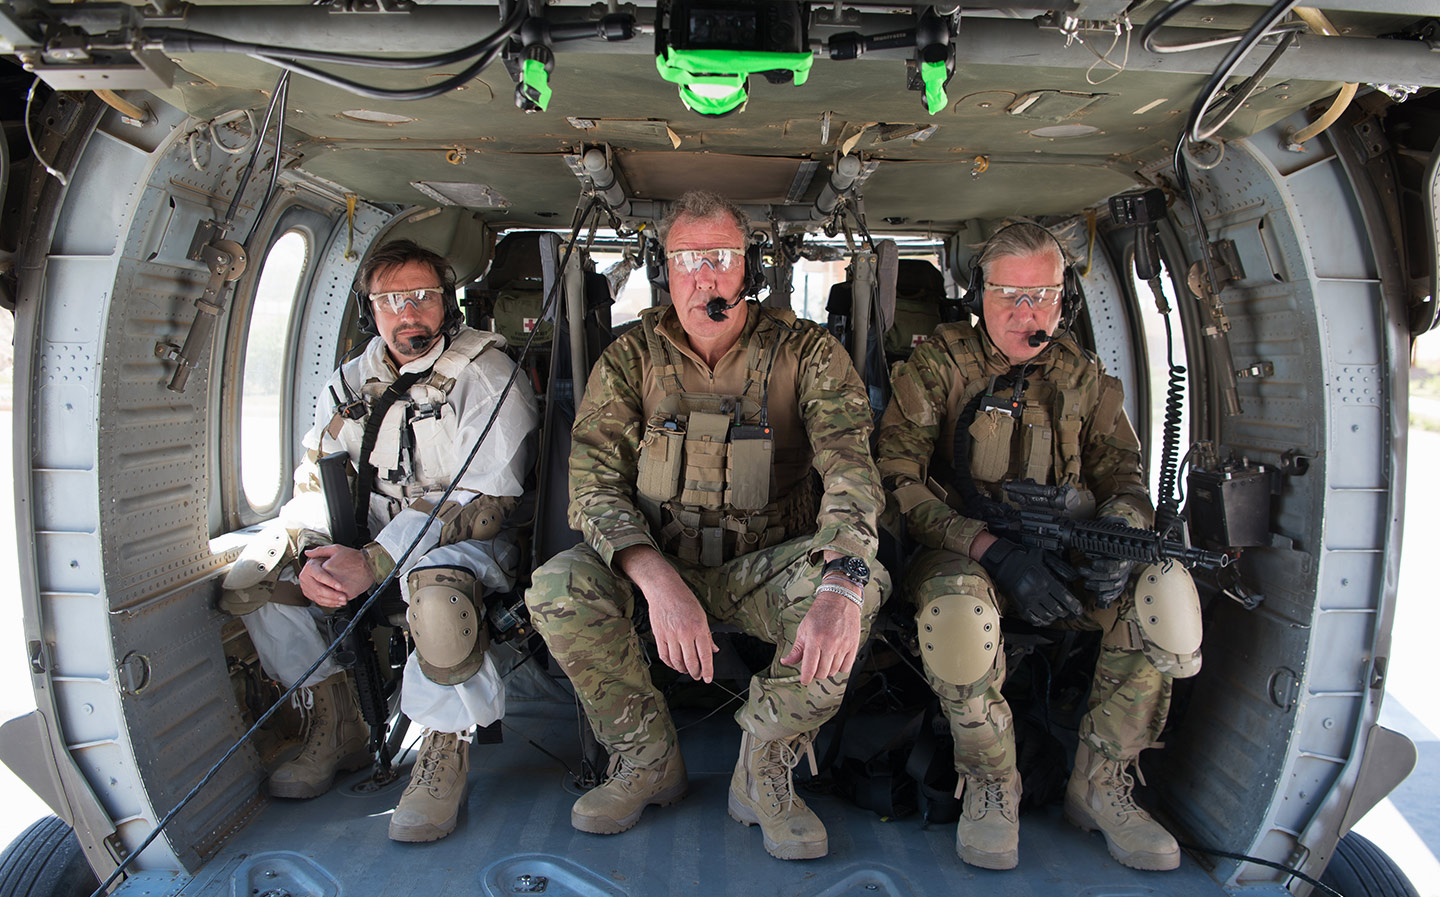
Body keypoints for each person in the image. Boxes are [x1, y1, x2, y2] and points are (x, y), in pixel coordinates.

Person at [525, 190, 888, 861]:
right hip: (659, 561)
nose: (705, 276)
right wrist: (656, 578)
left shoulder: (807, 353)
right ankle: (646, 760)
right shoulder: (629, 360)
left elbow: (851, 473)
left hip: (768, 565)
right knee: (556, 587)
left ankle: (764, 767)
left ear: (747, 268)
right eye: (687, 259)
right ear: (665, 271)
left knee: (856, 590)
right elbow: (593, 486)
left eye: (720, 257)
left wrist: (840, 579)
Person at [873, 222, 1202, 872]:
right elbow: (895, 479)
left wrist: (1120, 532)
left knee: (1162, 591)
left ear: (1062, 299)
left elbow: (1126, 477)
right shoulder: (938, 365)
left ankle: (1101, 783)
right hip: (964, 555)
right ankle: (991, 782)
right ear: (980, 294)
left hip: (1066, 555)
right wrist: (990, 547)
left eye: (1042, 296)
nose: (1027, 313)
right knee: (959, 612)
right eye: (1009, 296)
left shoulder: (1082, 377)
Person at [220, 239, 538, 843]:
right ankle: (333, 721)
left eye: (422, 296)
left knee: (439, 595)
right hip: (363, 545)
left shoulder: (489, 375)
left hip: (465, 546)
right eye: (390, 300)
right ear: (371, 309)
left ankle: (443, 749)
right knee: (255, 583)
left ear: (447, 303)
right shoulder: (347, 385)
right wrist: (315, 550)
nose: (407, 312)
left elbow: (484, 504)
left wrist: (378, 560)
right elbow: (318, 475)